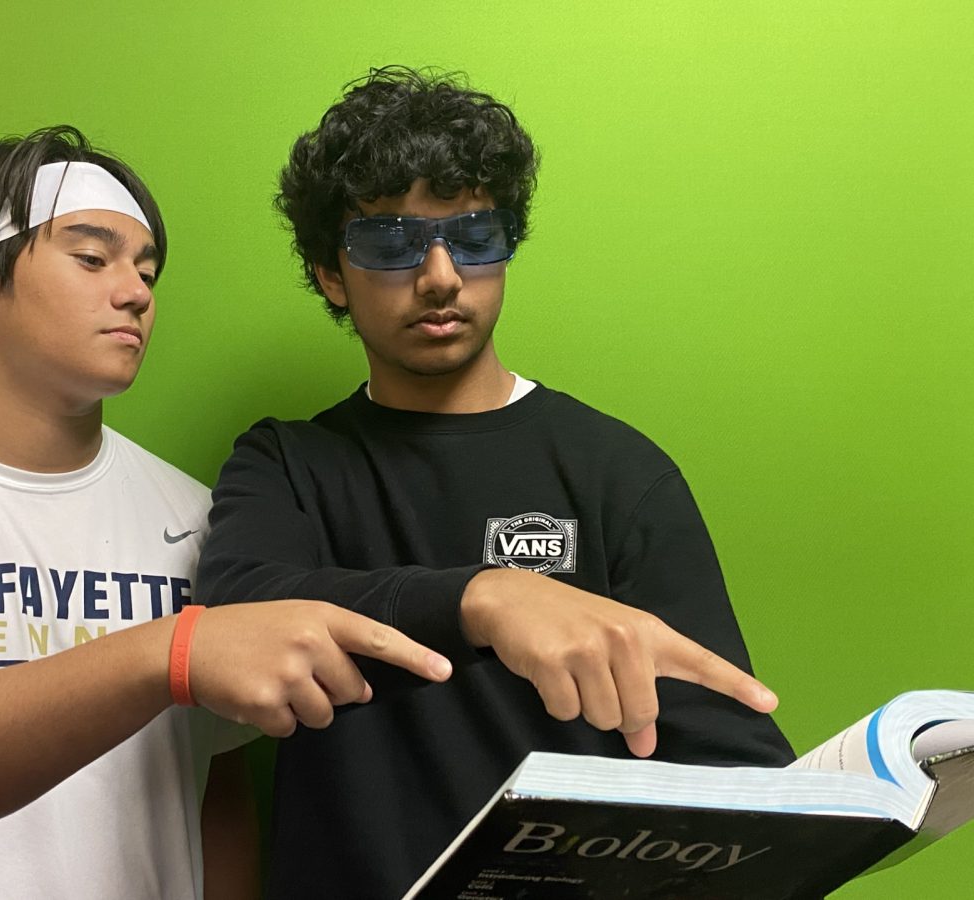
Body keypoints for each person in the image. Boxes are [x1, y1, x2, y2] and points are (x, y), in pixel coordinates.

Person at [0, 125, 453, 900]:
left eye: (147, 270)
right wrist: (173, 650)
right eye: (92, 258)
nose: (135, 292)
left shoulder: (200, 520)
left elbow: (213, 797)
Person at [196, 67, 797, 898]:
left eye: (474, 237)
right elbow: (237, 617)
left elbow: (733, 776)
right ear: (331, 274)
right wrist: (486, 598)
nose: (441, 276)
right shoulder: (287, 464)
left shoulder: (617, 472)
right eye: (390, 243)